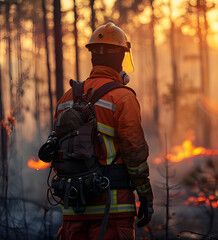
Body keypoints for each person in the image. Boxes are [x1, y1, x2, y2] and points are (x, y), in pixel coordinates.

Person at [55, 22, 153, 240]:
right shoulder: (123, 98)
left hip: (73, 210)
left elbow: (58, 152)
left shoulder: (66, 99)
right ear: (121, 57)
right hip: (113, 210)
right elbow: (134, 151)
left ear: (93, 57)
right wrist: (145, 194)